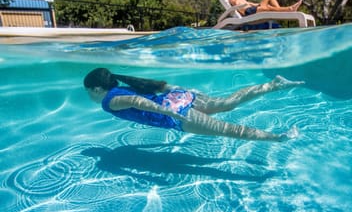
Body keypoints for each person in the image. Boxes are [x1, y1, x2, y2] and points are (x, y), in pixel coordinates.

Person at [83, 68, 304, 142]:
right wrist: (184, 90)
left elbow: (137, 102)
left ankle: (278, 138)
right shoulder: (124, 85)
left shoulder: (108, 101)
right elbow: (158, 88)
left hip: (175, 114)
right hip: (182, 97)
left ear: (96, 89)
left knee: (228, 131)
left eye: (88, 92)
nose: (89, 96)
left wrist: (166, 112)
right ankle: (274, 85)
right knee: (228, 103)